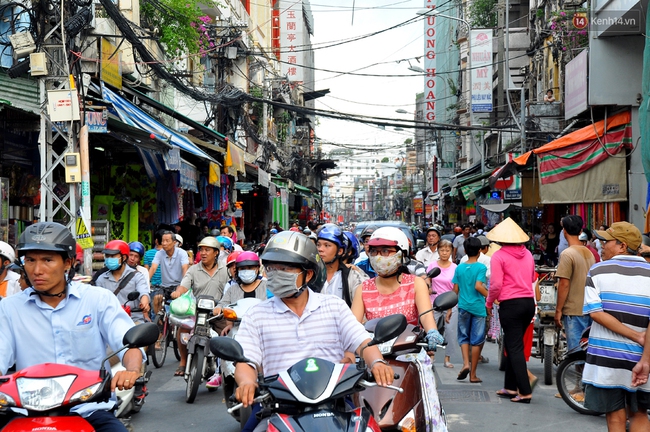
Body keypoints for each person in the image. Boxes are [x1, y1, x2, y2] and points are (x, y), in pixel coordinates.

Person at [233, 231, 395, 432]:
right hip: (279, 407)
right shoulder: (256, 314)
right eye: (271, 268)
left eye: (284, 268)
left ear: (308, 274)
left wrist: (377, 362)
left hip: (335, 403)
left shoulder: (334, 306)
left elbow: (362, 342)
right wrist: (247, 382)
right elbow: (245, 360)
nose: (276, 274)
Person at [0, 222, 143, 432]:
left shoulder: (98, 300)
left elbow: (128, 342)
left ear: (67, 263)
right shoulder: (9, 308)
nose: (37, 270)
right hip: (25, 411)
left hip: (89, 409)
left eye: (47, 260)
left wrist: (131, 371)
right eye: (30, 260)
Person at [582, 222, 650, 431]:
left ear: (622, 246)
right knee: (639, 414)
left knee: (615, 416)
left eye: (605, 241)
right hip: (642, 359)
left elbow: (596, 313)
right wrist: (645, 357)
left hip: (606, 359)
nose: (600, 245)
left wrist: (636, 336)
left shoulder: (598, 271)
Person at [350, 227, 443, 346]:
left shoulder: (416, 283)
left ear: (402, 254)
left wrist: (432, 332)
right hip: (374, 355)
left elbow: (426, 315)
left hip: (410, 352)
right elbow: (353, 327)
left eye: (385, 251)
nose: (378, 257)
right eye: (374, 251)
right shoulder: (363, 289)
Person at [486, 217, 536, 403]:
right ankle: (510, 387)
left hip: (511, 304)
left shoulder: (499, 256)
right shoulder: (528, 254)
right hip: (528, 303)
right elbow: (531, 277)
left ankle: (525, 391)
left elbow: (496, 284)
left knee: (514, 346)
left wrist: (489, 302)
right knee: (511, 343)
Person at [170, 236, 229, 377]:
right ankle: (183, 362)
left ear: (216, 253)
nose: (203, 253)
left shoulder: (225, 269)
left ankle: (228, 368)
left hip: (218, 312)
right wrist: (178, 293)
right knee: (183, 330)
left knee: (229, 335)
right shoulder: (193, 270)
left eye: (207, 250)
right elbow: (184, 286)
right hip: (198, 311)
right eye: (201, 250)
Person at [554, 215, 595, 357]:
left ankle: (581, 379)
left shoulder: (567, 254)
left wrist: (558, 310)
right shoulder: (589, 252)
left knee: (577, 354)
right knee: (587, 353)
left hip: (574, 310)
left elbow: (564, 284)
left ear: (564, 231)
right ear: (580, 232)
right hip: (589, 307)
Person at [453, 237, 488, 383]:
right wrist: (491, 297)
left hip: (463, 306)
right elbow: (479, 286)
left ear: (465, 251)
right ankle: (473, 375)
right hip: (478, 307)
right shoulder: (481, 267)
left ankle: (465, 364)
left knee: (463, 337)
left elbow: (455, 290)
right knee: (477, 340)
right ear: (480, 251)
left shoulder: (459, 268)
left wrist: (450, 308)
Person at [94, 240, 150, 324]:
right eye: (107, 256)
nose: (109, 259)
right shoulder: (101, 279)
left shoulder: (137, 276)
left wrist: (144, 301)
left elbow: (143, 291)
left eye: (112, 256)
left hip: (133, 320)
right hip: (110, 321)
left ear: (123, 258)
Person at [317, 223, 367, 307]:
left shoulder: (353, 277)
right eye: (318, 245)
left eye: (327, 245)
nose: (320, 249)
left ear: (340, 251)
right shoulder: (310, 275)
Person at [426, 239, 458, 368]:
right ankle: (431, 356)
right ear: (438, 251)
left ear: (451, 252)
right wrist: (428, 287)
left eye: (447, 250)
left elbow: (456, 288)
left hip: (450, 302)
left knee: (450, 331)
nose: (444, 253)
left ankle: (447, 358)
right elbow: (428, 279)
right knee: (431, 330)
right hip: (434, 302)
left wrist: (450, 306)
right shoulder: (432, 265)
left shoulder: (455, 267)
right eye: (442, 250)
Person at [149, 231, 190, 316]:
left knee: (179, 309)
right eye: (163, 241)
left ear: (174, 242)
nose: (164, 243)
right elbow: (153, 268)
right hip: (164, 286)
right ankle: (159, 324)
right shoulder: (159, 253)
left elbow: (184, 269)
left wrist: (183, 286)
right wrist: (146, 281)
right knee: (156, 300)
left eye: (167, 241)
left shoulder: (182, 253)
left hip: (179, 286)